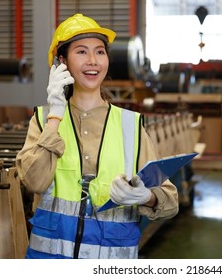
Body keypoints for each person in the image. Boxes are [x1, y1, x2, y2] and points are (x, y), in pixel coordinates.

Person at [15, 13, 179, 259]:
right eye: (81, 52)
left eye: (100, 52)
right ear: (62, 62)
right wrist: (55, 117)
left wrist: (147, 196)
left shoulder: (129, 125)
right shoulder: (42, 120)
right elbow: (34, 182)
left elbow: (170, 201)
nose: (93, 61)